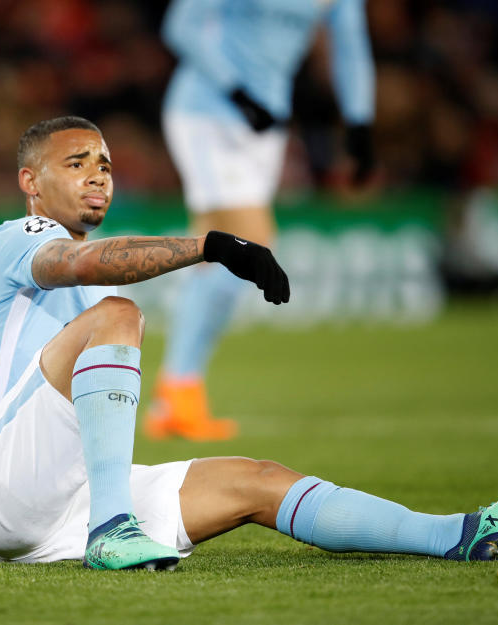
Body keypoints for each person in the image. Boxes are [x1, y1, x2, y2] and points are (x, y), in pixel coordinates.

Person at [0, 116, 498, 570]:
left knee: (257, 480)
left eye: (104, 164)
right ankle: (113, 528)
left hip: (58, 499)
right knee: (118, 315)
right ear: (30, 181)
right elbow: (77, 265)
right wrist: (210, 244)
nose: (98, 176)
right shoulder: (17, 235)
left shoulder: (82, 278)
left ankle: (460, 533)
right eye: (76, 164)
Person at [149, 0, 376, 440]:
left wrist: (360, 124)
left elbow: (351, 47)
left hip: (265, 122)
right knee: (250, 244)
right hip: (208, 110)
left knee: (210, 255)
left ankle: (176, 395)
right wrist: (235, 90)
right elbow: (182, 26)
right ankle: (178, 387)